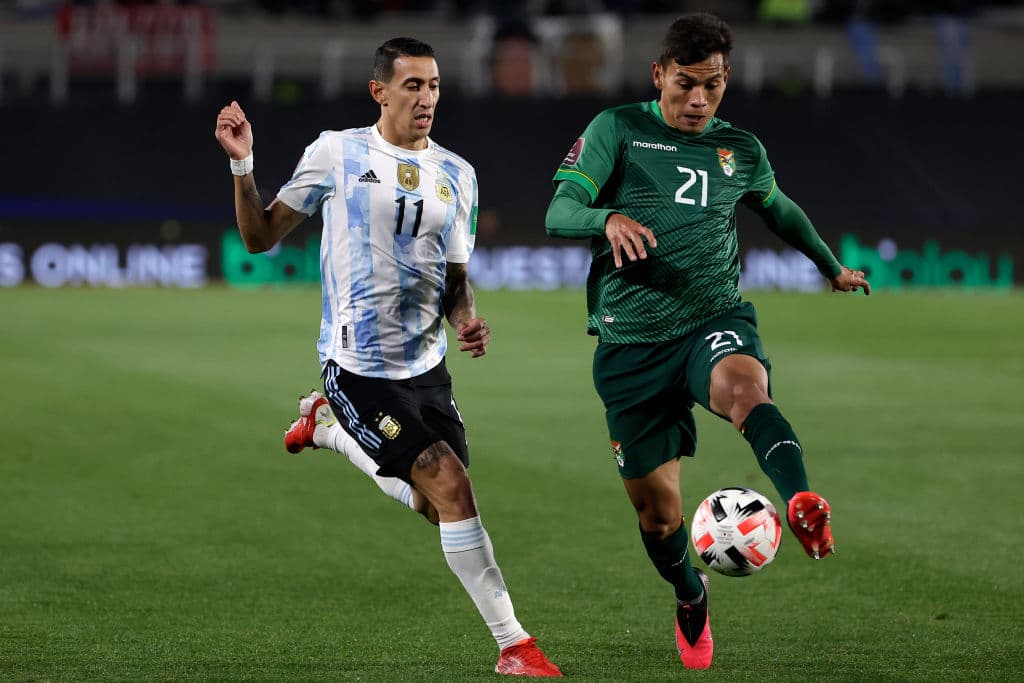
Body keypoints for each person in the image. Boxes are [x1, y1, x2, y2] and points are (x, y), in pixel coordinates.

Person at [214, 36, 562, 678]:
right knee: (454, 491)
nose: (427, 97)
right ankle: (515, 646)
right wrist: (243, 165)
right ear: (380, 90)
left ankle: (326, 429)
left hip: (427, 368)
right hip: (358, 368)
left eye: (433, 86)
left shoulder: (458, 174)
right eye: (413, 85)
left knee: (435, 506)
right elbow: (259, 237)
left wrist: (468, 321)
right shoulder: (336, 153)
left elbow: (455, 275)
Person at [544, 12, 870, 671]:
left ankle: (802, 499)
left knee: (743, 387)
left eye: (713, 86)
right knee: (658, 518)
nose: (698, 100)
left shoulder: (740, 149)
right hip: (631, 343)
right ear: (659, 74)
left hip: (711, 317)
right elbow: (558, 211)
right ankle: (691, 594)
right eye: (687, 84)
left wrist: (830, 265)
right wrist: (606, 217)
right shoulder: (618, 131)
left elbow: (778, 208)